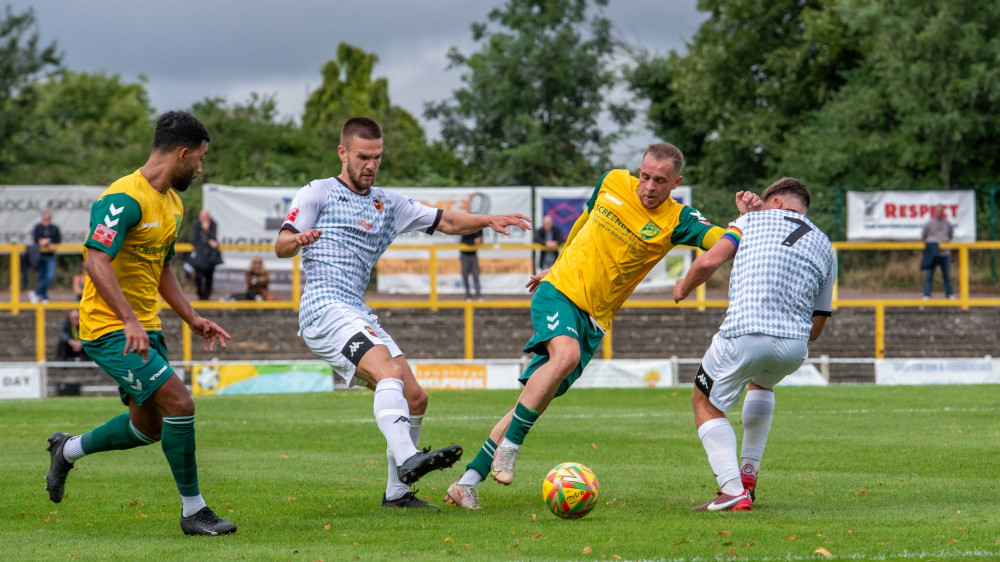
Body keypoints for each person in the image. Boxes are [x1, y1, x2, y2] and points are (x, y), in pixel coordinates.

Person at [445, 142, 762, 510]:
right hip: (559, 291)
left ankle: (467, 482)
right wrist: (557, 264)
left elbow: (720, 243)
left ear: (676, 182)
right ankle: (510, 449)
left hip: (595, 320)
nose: (649, 186)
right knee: (564, 357)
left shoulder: (679, 220)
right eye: (644, 176)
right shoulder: (612, 181)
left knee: (533, 398)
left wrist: (746, 221)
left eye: (660, 180)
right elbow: (583, 224)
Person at [275, 116, 531, 509]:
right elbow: (281, 245)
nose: (370, 165)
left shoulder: (387, 203)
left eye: (377, 157)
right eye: (362, 156)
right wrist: (298, 239)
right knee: (388, 373)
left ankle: (397, 494)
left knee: (415, 398)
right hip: (324, 309)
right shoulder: (317, 193)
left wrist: (487, 220)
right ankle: (409, 458)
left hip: (356, 310)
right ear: (343, 153)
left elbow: (445, 220)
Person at [44, 111, 237, 536]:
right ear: (182, 153)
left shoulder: (172, 203)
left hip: (144, 328)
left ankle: (67, 449)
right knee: (180, 405)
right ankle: (194, 511)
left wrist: (191, 317)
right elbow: (96, 261)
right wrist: (128, 320)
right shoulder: (122, 199)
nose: (201, 168)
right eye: (200, 158)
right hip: (108, 329)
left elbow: (162, 267)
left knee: (148, 427)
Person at [672, 177, 836, 512]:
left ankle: (732, 489)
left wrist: (682, 287)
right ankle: (748, 474)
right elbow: (817, 326)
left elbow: (706, 262)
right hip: (793, 347)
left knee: (704, 402)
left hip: (746, 331)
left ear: (774, 202)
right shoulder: (825, 245)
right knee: (761, 382)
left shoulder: (748, 222)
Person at [921, 206, 955, 300]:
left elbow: (951, 235)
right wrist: (928, 249)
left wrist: (946, 244)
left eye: (941, 211)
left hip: (944, 254)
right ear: (934, 212)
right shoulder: (929, 223)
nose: (939, 213)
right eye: (937, 211)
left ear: (943, 212)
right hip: (932, 254)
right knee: (929, 275)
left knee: (947, 276)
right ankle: (926, 294)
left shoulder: (947, 223)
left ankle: (950, 294)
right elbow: (923, 237)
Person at [189, 209, 222, 300]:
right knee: (198, 276)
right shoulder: (196, 224)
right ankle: (200, 293)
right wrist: (207, 240)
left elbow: (214, 239)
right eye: (203, 217)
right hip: (200, 256)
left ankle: (207, 296)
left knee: (209, 276)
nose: (205, 219)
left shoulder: (213, 224)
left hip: (210, 256)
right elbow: (195, 240)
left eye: (206, 217)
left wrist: (207, 231)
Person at [29, 212, 61, 304]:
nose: (46, 221)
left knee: (50, 276)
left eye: (48, 219)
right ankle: (44, 297)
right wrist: (48, 243)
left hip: (50, 256)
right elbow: (36, 239)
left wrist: (47, 241)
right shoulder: (38, 227)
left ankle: (36, 293)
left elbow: (57, 239)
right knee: (42, 277)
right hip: (40, 256)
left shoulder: (54, 228)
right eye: (45, 219)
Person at [460, 229, 484, 301]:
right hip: (464, 254)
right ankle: (468, 296)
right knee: (465, 276)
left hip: (474, 255)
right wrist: (474, 241)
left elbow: (481, 239)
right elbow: (464, 240)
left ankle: (479, 295)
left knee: (476, 276)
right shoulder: (466, 226)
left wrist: (480, 240)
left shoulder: (479, 227)